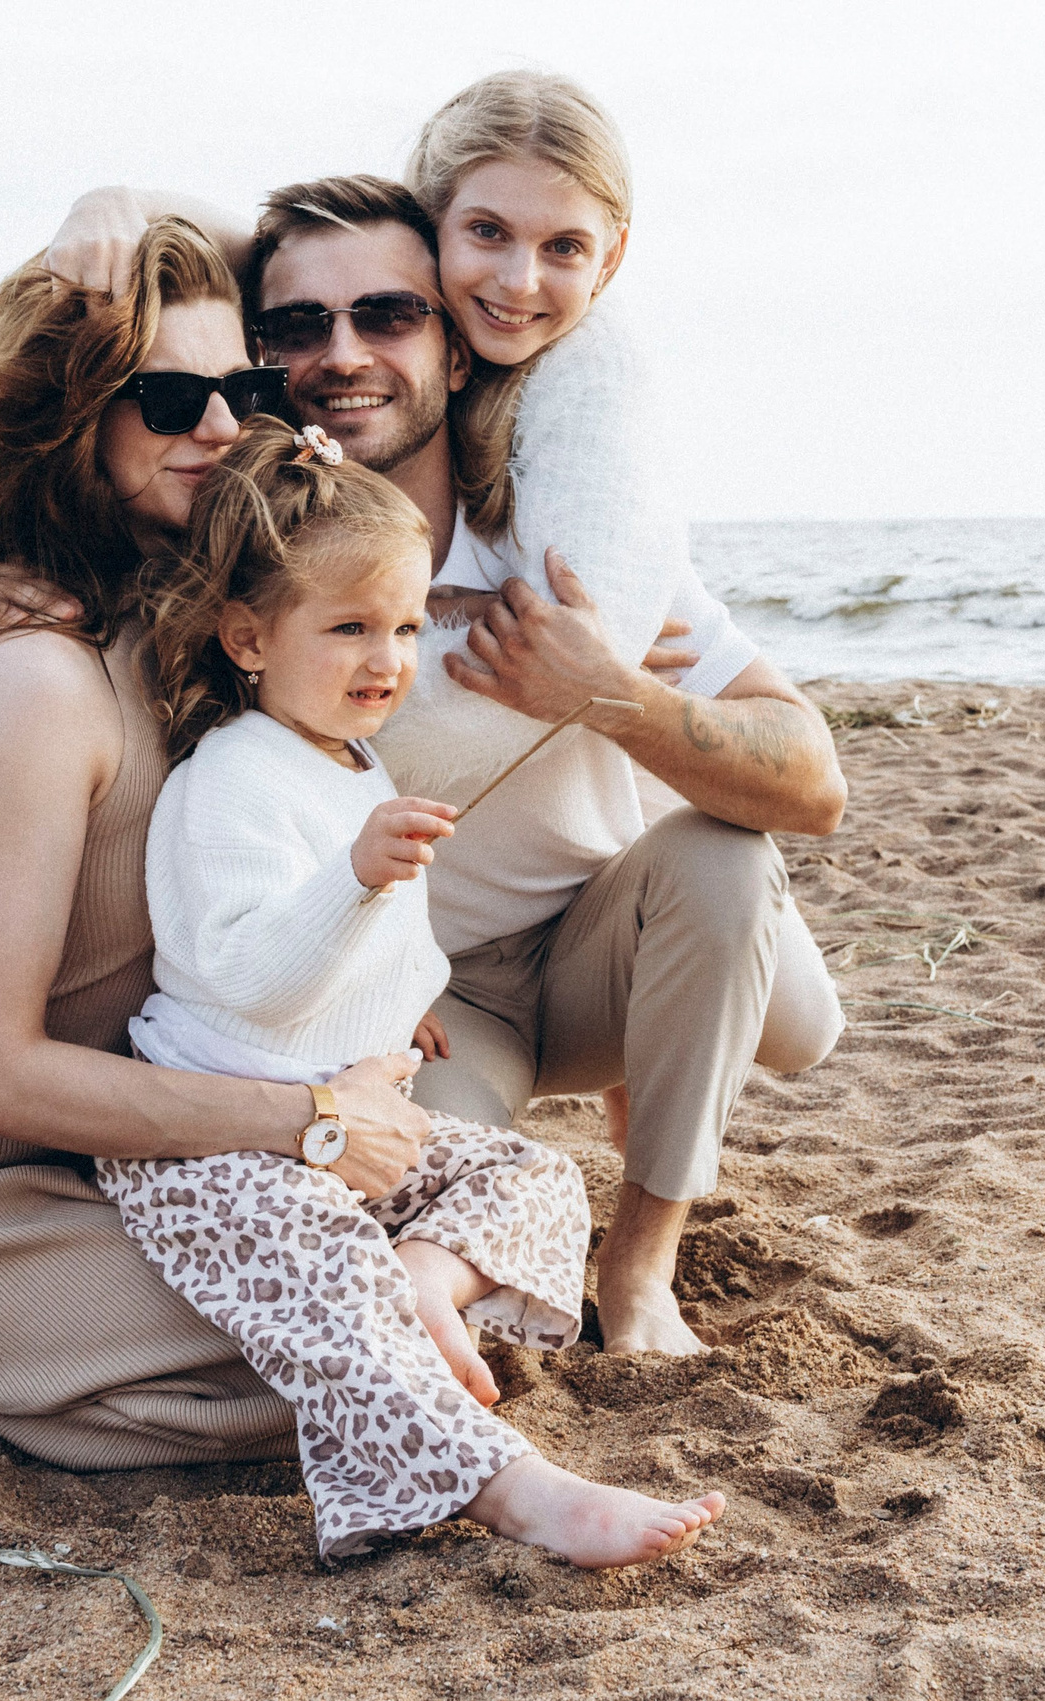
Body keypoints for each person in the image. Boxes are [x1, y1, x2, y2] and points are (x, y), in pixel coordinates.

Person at [0, 78, 850, 1362]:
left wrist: (608, 691)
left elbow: (814, 783)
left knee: (729, 868)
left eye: (386, 314)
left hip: (602, 942)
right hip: (417, 998)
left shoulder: (566, 547)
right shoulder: (229, 562)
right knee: (392, 1220)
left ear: (452, 342)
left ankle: (643, 1267)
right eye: (296, 327)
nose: (342, 353)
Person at [0, 216, 435, 1471]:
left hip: (120, 1170)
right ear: (71, 414)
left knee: (428, 1301)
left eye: (244, 388)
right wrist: (309, 1119)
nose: (220, 427)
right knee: (367, 1343)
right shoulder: (30, 670)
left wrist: (127, 203)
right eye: (168, 398)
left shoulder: (211, 635)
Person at [97, 415, 723, 1564]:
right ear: (248, 637)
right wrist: (354, 877)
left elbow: (378, 943)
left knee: (533, 1172)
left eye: (402, 624)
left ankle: (425, 1280)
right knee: (331, 1275)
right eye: (347, 627)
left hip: (343, 1118)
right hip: (221, 1144)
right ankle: (515, 1491)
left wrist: (398, 1001)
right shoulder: (229, 776)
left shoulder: (351, 757)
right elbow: (248, 972)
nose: (386, 658)